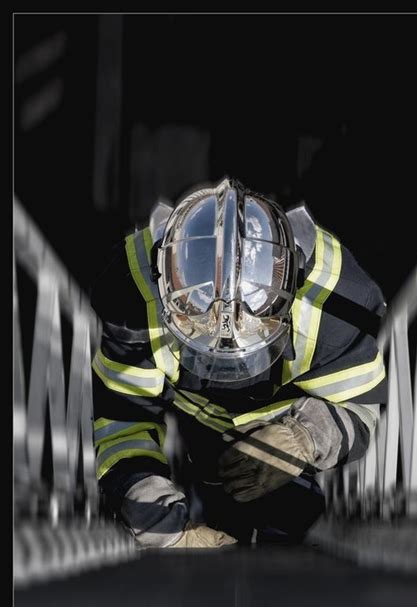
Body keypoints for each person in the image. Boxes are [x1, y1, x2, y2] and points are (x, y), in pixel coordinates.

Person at [91, 177, 386, 548]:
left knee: (292, 514)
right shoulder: (130, 290)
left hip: (285, 419)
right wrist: (158, 525)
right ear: (163, 285)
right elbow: (124, 422)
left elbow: (359, 407)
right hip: (192, 420)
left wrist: (303, 437)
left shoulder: (340, 300)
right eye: (201, 342)